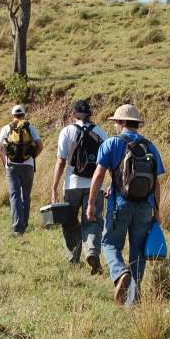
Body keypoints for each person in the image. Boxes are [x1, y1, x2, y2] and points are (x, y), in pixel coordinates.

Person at [86, 104, 165, 305]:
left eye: (116, 122)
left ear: (121, 123)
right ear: (136, 124)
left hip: (119, 204)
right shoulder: (150, 146)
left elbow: (98, 174)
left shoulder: (112, 144)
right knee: (138, 250)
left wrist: (91, 203)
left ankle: (121, 273)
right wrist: (156, 211)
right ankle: (134, 297)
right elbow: (156, 183)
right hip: (145, 206)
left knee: (109, 243)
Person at [51, 100, 109, 274]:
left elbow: (61, 161)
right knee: (93, 221)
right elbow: (108, 163)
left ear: (73, 115)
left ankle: (72, 258)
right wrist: (111, 184)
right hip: (95, 185)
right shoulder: (100, 132)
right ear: (90, 115)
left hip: (72, 184)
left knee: (69, 222)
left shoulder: (67, 131)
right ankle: (92, 251)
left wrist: (54, 188)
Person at [0, 104, 43, 237]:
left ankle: (18, 228)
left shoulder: (6, 128)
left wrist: (6, 164)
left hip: (12, 166)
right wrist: (30, 158)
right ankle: (25, 223)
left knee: (15, 196)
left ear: (12, 116)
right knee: (26, 196)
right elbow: (40, 146)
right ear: (24, 115)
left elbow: (0, 151)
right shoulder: (30, 127)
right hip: (28, 166)